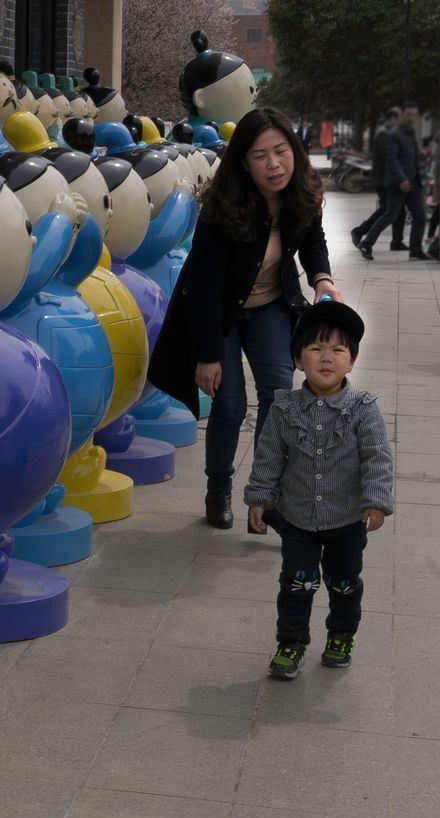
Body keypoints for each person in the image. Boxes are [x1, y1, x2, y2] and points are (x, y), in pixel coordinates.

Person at [147, 106, 343, 530]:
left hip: (271, 305)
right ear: (243, 162)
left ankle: (263, 497)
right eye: (259, 156)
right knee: (231, 406)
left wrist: (322, 279)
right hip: (220, 314)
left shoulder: (303, 191)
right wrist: (207, 355)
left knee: (278, 402)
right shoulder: (224, 207)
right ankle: (218, 489)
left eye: (280, 151)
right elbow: (204, 287)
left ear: (293, 149)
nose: (274, 164)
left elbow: (313, 239)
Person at [244, 300, 394, 679]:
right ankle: (291, 642)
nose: (326, 358)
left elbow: (377, 457)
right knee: (296, 583)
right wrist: (259, 499)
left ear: (352, 361)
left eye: (337, 350)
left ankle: (342, 634)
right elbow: (269, 457)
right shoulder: (283, 409)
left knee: (344, 584)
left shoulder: (364, 408)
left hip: (347, 521)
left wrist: (375, 501)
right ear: (298, 360)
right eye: (315, 348)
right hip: (297, 520)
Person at [357, 101, 429, 260]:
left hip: (413, 182)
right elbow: (392, 160)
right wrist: (402, 178)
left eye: (414, 115)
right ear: (403, 115)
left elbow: (414, 155)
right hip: (398, 183)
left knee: (420, 216)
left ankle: (415, 250)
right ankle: (366, 243)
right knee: (390, 215)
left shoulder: (411, 133)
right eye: (409, 114)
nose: (412, 117)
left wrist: (423, 154)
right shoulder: (393, 135)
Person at [351, 107, 406, 250]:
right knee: (387, 209)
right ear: (393, 118)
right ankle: (359, 231)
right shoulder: (384, 134)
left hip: (389, 177)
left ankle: (397, 241)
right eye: (400, 118)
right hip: (384, 179)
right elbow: (389, 157)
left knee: (399, 209)